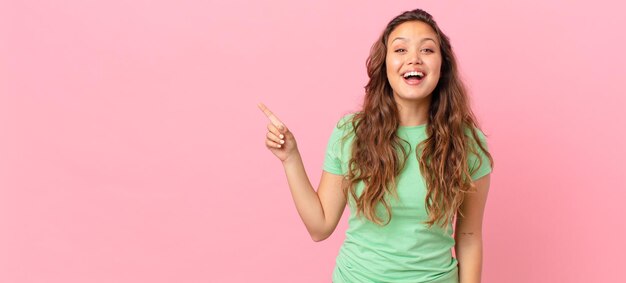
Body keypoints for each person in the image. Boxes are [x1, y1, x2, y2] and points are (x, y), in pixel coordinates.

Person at [258, 8, 494, 283]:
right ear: (385, 64)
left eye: (427, 50)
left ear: (443, 66)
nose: (414, 59)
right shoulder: (351, 134)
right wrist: (290, 158)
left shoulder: (468, 142)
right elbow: (319, 227)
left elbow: (468, 236)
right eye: (401, 50)